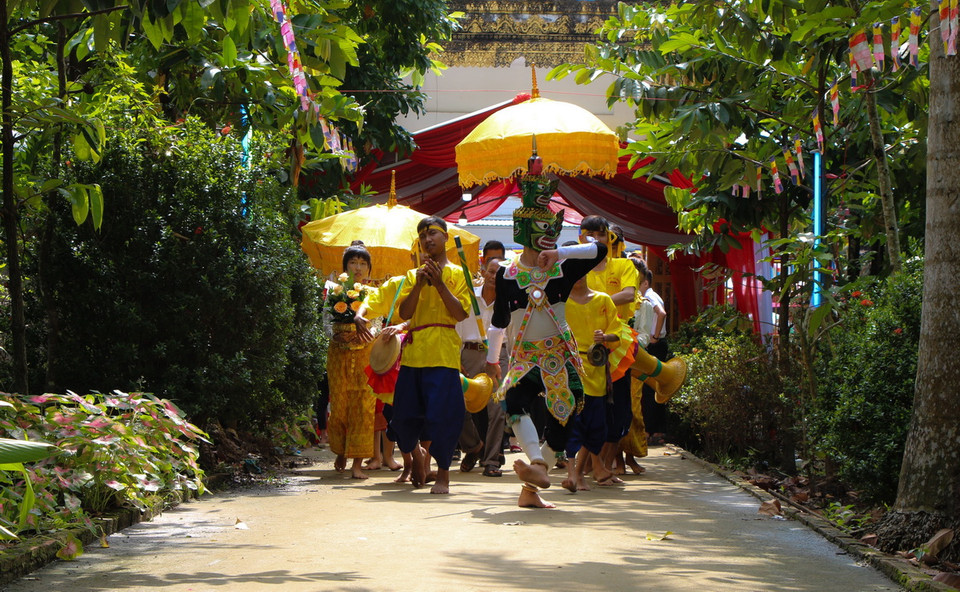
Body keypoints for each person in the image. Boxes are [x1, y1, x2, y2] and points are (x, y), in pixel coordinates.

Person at [485, 151, 607, 508]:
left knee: (565, 415)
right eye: (540, 230)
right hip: (525, 356)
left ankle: (532, 487)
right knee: (514, 402)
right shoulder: (507, 274)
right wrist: (493, 361)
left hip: (560, 355)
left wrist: (562, 255)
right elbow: (499, 321)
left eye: (551, 232)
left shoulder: (562, 268)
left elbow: (600, 249)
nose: (547, 238)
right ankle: (537, 464)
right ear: (522, 231)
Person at [391, 216, 472, 494]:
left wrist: (439, 284)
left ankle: (443, 475)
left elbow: (460, 314)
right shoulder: (412, 275)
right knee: (402, 415)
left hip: (443, 354)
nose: (428, 240)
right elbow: (404, 313)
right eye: (423, 236)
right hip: (413, 354)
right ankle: (416, 454)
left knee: (444, 417)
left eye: (433, 234)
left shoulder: (459, 275)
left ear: (445, 237)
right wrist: (418, 284)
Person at [580, 218, 639, 480]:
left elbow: (629, 294)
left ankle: (603, 466)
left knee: (618, 406)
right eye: (589, 234)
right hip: (583, 342)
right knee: (588, 406)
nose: (595, 239)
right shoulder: (577, 266)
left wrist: (596, 303)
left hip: (617, 341)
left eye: (600, 234)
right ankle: (585, 467)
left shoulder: (624, 265)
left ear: (610, 238)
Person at [562, 273, 633, 491]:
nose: (578, 276)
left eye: (581, 270)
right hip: (571, 367)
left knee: (595, 424)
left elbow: (617, 333)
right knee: (575, 421)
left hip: (597, 366)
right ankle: (573, 474)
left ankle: (581, 473)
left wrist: (605, 337)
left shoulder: (603, 300)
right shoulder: (560, 302)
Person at [324, 243, 377, 480]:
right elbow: (326, 320)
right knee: (339, 404)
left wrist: (363, 335)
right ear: (345, 266)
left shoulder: (373, 293)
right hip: (338, 354)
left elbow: (378, 323)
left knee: (363, 407)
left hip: (365, 353)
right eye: (353, 262)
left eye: (363, 264)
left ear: (369, 268)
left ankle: (358, 462)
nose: (358, 268)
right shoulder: (335, 291)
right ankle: (340, 452)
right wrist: (335, 335)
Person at [456, 246, 508, 478]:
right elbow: (457, 327)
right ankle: (473, 447)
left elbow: (512, 334)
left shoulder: (509, 301)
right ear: (484, 272)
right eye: (491, 272)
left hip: (498, 356)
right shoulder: (468, 296)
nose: (494, 277)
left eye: (500, 273)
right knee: (459, 404)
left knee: (497, 409)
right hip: (468, 352)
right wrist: (456, 358)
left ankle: (492, 459)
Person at [639, 265, 670, 442]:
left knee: (650, 388)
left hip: (655, 344)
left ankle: (649, 429)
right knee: (655, 386)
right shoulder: (652, 295)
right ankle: (658, 430)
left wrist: (655, 337)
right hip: (657, 343)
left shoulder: (649, 296)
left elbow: (662, 313)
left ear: (645, 283)